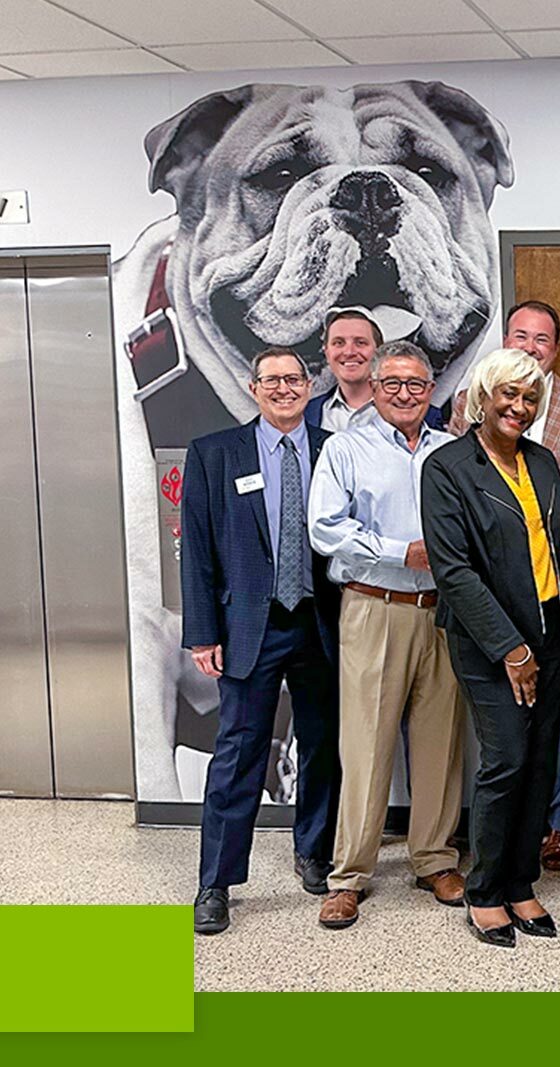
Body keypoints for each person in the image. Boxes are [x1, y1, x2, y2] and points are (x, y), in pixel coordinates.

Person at [307, 341, 467, 930]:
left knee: (440, 743)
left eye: (416, 384)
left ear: (432, 391)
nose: (405, 394)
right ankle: (349, 876)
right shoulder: (345, 448)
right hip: (375, 607)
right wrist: (401, 552)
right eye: (392, 383)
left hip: (443, 613)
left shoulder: (450, 451)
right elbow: (325, 528)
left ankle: (435, 859)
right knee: (366, 746)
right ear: (373, 389)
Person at [183, 347, 340, 935]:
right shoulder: (215, 453)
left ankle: (314, 851)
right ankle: (216, 883)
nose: (283, 389)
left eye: (293, 379)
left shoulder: (334, 449)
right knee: (239, 752)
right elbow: (197, 549)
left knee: (323, 745)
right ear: (253, 388)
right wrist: (203, 633)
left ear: (309, 386)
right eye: (271, 380)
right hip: (250, 626)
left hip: (321, 623)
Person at [420, 348, 560, 948]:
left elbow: (558, 549)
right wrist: (511, 649)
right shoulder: (447, 468)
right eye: (509, 394)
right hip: (491, 643)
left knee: (540, 761)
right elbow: (454, 572)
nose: (520, 406)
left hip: (553, 633)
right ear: (483, 398)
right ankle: (484, 891)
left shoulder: (542, 462)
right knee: (506, 759)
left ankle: (520, 882)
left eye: (530, 397)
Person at [488, 300, 560, 873]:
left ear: (556, 349)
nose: (530, 347)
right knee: (503, 706)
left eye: (542, 340)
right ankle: (509, 819)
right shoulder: (474, 401)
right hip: (501, 585)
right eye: (520, 336)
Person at [305, 308, 382, 432]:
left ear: (379, 351)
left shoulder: (407, 409)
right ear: (327, 353)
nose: (349, 352)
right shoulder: (306, 414)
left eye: (360, 342)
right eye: (339, 343)